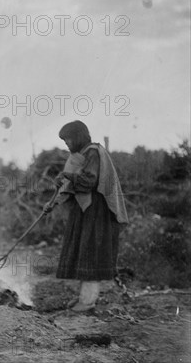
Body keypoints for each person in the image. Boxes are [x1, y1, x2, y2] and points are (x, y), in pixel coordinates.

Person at [44, 121, 128, 312]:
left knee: (91, 253)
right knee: (84, 252)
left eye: (68, 139)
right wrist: (53, 202)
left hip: (96, 210)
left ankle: (88, 302)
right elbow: (71, 183)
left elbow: (88, 181)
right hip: (85, 210)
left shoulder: (93, 152)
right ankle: (84, 297)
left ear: (78, 136)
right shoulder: (79, 155)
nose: (66, 143)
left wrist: (67, 176)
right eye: (64, 140)